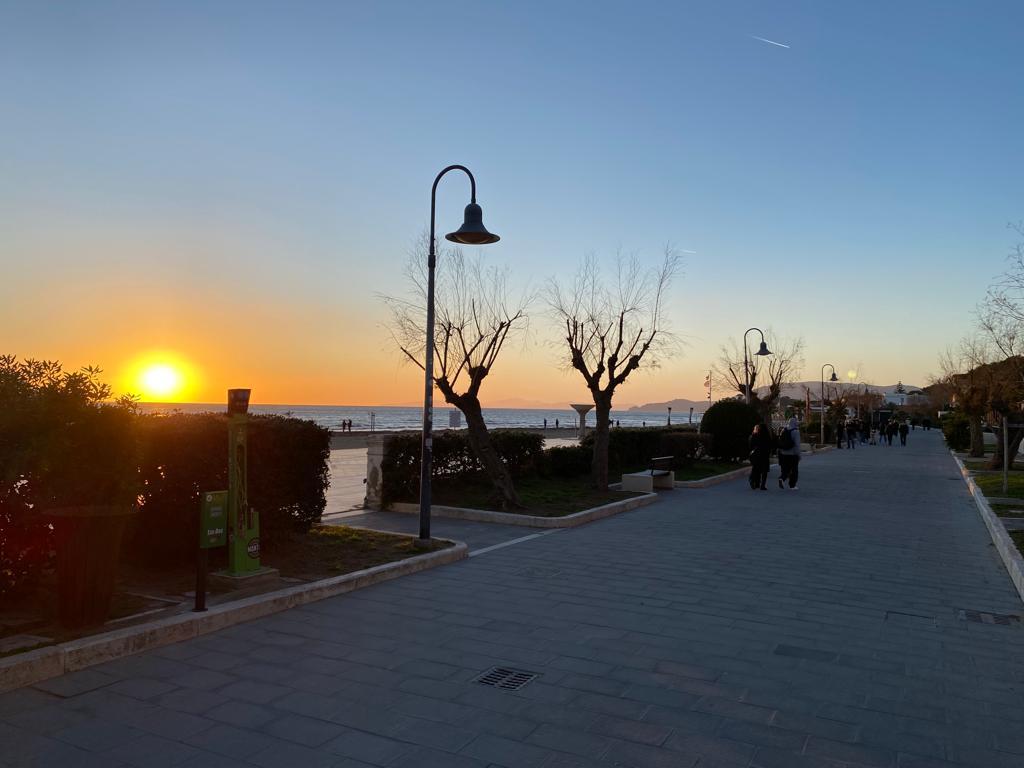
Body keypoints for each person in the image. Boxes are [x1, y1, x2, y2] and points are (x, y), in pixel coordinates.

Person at [778, 417, 802, 489]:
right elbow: (797, 444)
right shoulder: (796, 431)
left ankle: (782, 478)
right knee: (794, 470)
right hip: (793, 454)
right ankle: (792, 485)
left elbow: (780, 441)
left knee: (785, 469)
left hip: (783, 453)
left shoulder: (783, 430)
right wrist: (799, 454)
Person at [748, 423, 772, 491]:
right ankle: (762, 485)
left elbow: (751, 445)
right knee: (764, 471)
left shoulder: (755, 435)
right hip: (765, 455)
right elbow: (770, 445)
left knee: (756, 469)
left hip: (757, 455)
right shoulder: (767, 436)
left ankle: (753, 481)